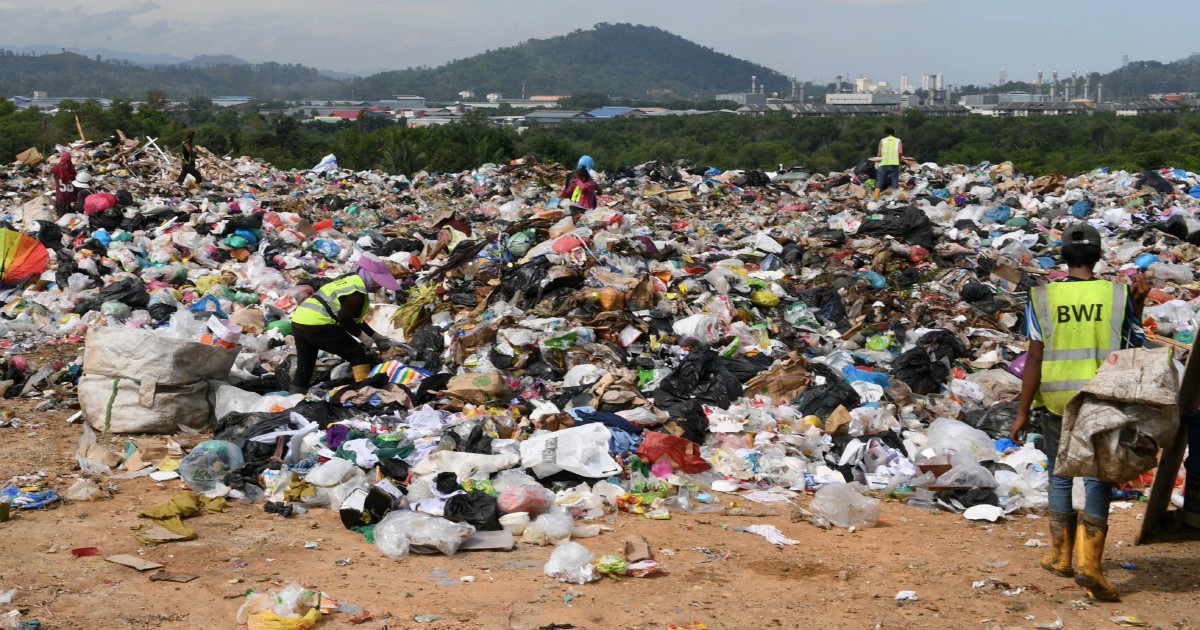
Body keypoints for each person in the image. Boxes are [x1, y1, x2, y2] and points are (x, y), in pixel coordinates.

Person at [1009, 222, 1149, 602]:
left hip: (1057, 399)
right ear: (1099, 255)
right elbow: (1133, 341)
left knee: (1059, 472)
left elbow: (1033, 357)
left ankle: (1060, 557)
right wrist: (1139, 301)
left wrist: (1022, 412)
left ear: (1063, 257)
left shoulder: (1042, 297)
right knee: (1097, 477)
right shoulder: (1116, 294)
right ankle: (1091, 566)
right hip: (1102, 397)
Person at [288, 253, 402, 393]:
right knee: (357, 354)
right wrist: (364, 338)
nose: (378, 287)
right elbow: (344, 319)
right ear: (369, 277)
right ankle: (365, 392)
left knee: (306, 363)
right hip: (318, 324)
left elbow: (355, 319)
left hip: (300, 320)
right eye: (377, 282)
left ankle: (294, 397)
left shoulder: (350, 281)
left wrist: (377, 337)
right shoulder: (357, 293)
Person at [873, 127, 902, 201]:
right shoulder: (898, 140)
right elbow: (900, 152)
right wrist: (899, 159)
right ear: (893, 133)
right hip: (894, 164)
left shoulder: (882, 141)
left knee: (880, 182)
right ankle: (894, 199)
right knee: (894, 182)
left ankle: (875, 198)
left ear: (886, 133)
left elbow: (879, 154)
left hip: (885, 163)